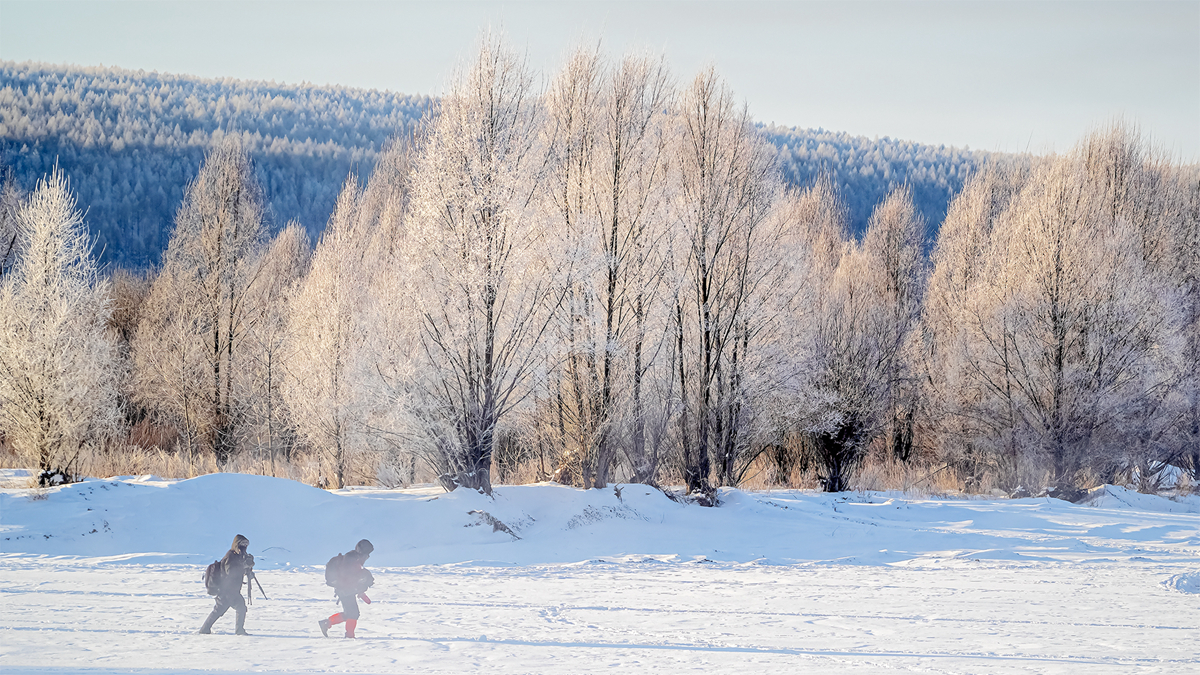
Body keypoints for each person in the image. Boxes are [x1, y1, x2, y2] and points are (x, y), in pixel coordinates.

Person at [199, 534, 255, 635]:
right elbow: (230, 572)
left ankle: (205, 629)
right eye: (241, 546)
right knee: (235, 608)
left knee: (221, 610)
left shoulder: (238, 557)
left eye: (244, 546)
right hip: (226, 590)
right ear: (236, 545)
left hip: (231, 590)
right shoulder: (230, 556)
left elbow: (240, 571)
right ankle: (239, 631)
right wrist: (243, 565)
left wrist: (248, 568)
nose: (243, 548)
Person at [318, 539, 374, 638]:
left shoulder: (353, 557)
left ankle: (327, 623)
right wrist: (362, 581)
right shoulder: (352, 559)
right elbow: (349, 575)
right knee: (353, 614)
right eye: (367, 554)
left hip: (346, 589)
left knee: (351, 613)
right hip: (344, 590)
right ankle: (349, 636)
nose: (368, 557)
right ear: (363, 552)